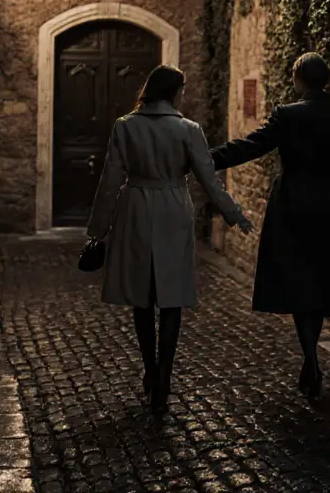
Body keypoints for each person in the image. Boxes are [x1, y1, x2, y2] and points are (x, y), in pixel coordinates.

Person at [85, 64, 254, 415]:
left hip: (135, 209)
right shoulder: (188, 129)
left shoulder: (125, 126)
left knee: (142, 299)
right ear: (174, 91)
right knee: (171, 298)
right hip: (173, 209)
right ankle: (164, 375)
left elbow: (109, 180)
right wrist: (234, 213)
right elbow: (210, 179)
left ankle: (149, 369)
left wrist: (97, 232)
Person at [210, 52, 330, 400]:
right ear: (325, 80)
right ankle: (311, 355)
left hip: (293, 209)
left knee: (300, 284)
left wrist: (205, 156)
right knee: (319, 282)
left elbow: (252, 146)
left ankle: (310, 356)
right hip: (329, 211)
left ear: (297, 77)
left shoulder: (288, 115)